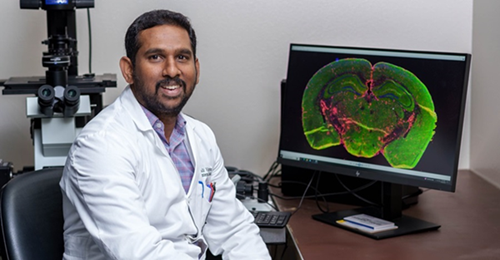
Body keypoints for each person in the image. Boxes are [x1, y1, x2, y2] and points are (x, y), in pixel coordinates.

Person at [59, 9, 271, 260]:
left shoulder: (200, 136)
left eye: (182, 57)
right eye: (156, 57)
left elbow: (235, 230)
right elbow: (140, 253)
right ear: (128, 70)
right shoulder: (100, 146)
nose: (172, 70)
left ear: (196, 69)